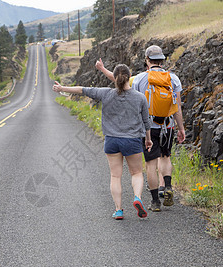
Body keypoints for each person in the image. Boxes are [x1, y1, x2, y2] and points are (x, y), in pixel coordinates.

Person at [52, 64, 153, 220]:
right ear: (129, 76)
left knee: (115, 176)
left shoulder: (106, 93)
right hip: (132, 140)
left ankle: (118, 210)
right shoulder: (139, 97)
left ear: (115, 77)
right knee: (137, 173)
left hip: (112, 141)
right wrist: (148, 139)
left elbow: (82, 90)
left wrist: (62, 88)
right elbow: (146, 122)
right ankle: (137, 198)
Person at [95, 45, 185, 212]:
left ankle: (155, 203)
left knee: (150, 163)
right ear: (162, 60)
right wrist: (181, 128)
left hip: (148, 127)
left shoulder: (140, 78)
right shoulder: (173, 79)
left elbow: (120, 83)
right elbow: (177, 107)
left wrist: (102, 69)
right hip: (167, 125)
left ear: (147, 60)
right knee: (165, 157)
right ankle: (168, 187)